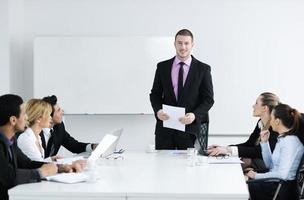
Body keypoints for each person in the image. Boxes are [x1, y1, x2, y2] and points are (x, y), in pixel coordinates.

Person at [0, 94, 84, 200]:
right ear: (13, 120)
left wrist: (60, 168)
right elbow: (9, 176)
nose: (27, 117)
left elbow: (27, 163)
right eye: (24, 114)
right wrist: (41, 172)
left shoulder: (11, 141)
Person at [150, 29, 214, 150]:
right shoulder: (162, 67)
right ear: (174, 44)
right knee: (162, 167)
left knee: (188, 168)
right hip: (165, 130)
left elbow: (208, 99)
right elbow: (155, 94)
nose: (183, 47)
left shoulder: (203, 69)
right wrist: (158, 111)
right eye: (179, 43)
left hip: (189, 131)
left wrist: (194, 115)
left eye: (186, 43)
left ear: (192, 45)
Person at [207, 92, 280, 171]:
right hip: (261, 164)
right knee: (243, 160)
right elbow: (249, 144)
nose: (253, 106)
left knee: (246, 160)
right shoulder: (261, 122)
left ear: (264, 108)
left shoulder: (275, 127)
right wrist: (224, 148)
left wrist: (228, 151)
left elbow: (259, 152)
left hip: (272, 168)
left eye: (256, 103)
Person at [245, 104, 304, 200]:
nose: (270, 122)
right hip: (275, 182)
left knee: (242, 186)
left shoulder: (290, 142)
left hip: (281, 188)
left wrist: (256, 176)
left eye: (271, 118)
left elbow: (282, 175)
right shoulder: (282, 138)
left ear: (277, 121)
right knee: (241, 180)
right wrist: (264, 143)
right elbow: (270, 166)